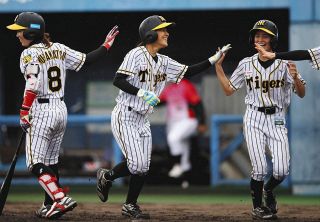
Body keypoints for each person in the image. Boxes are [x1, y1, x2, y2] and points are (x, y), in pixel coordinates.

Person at [96, 15, 231, 219]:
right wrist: (140, 92)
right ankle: (108, 178)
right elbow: (118, 80)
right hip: (125, 114)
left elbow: (187, 72)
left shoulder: (164, 61)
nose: (167, 32)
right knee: (136, 165)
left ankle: (127, 201)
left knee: (143, 167)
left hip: (142, 118)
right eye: (162, 29)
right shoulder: (136, 54)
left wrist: (213, 59)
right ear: (150, 34)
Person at [6, 12, 119, 219]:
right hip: (60, 110)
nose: (17, 35)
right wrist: (106, 46)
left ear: (31, 32)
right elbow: (86, 60)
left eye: (20, 31)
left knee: (35, 163)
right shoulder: (59, 48)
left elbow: (32, 83)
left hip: (41, 109)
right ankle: (49, 204)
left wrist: (23, 112)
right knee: (50, 161)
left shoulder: (28, 54)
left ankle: (59, 199)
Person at [214, 19, 306, 220]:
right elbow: (229, 90)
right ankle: (257, 208)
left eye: (264, 35)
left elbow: (301, 93)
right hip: (254, 116)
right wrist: (219, 67)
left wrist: (296, 77)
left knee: (282, 170)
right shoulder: (246, 63)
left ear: (273, 39)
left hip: (278, 118)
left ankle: (268, 190)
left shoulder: (284, 64)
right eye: (257, 35)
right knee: (259, 168)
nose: (260, 38)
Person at [159, 79, 206, 179]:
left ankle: (176, 165)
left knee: (173, 138)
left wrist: (202, 122)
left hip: (188, 120)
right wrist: (144, 97)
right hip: (173, 122)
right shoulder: (168, 88)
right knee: (183, 147)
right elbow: (158, 102)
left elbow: (198, 103)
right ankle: (185, 179)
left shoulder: (185, 85)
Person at [255, 43, 320, 70]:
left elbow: (302, 94)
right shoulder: (245, 62)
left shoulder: (284, 64)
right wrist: (274, 55)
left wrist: (274, 55)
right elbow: (306, 54)